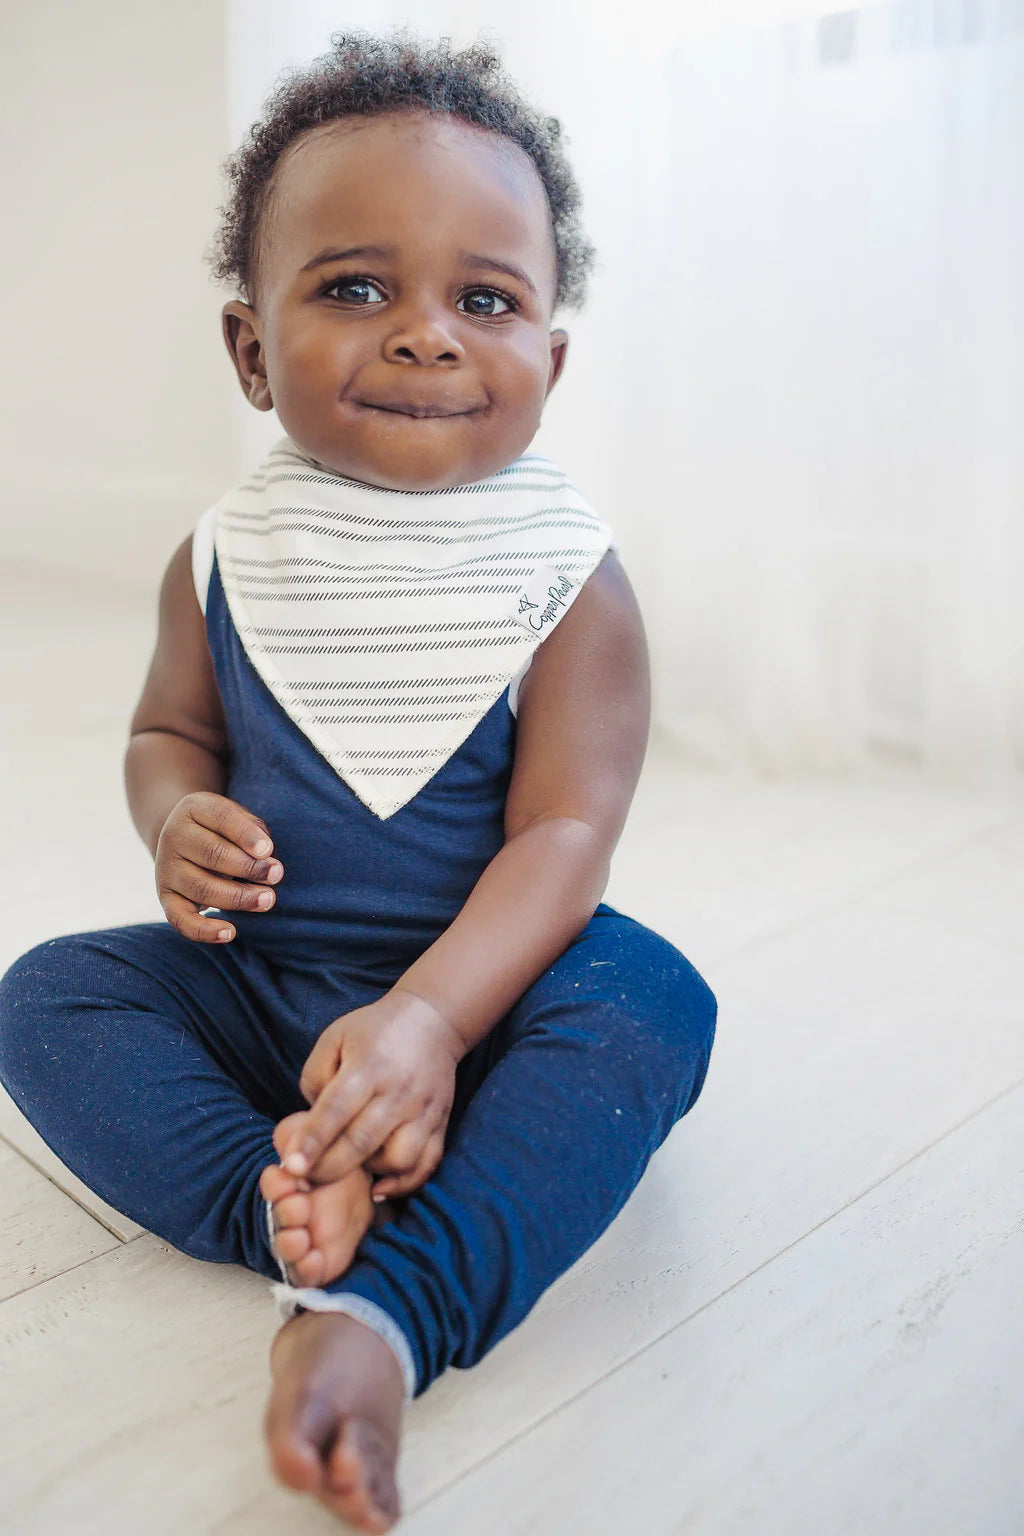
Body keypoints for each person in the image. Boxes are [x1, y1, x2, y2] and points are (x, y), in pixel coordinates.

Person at [0, 30, 717, 1533]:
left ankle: (392, 1305)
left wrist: (431, 1021)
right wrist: (169, 817)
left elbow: (569, 831)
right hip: (267, 993)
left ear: (551, 359)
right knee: (47, 995)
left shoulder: (570, 582)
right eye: (354, 287)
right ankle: (282, 1205)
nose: (427, 335)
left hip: (496, 1001)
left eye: (486, 299)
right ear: (250, 348)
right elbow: (165, 737)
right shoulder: (221, 560)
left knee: (652, 1002)